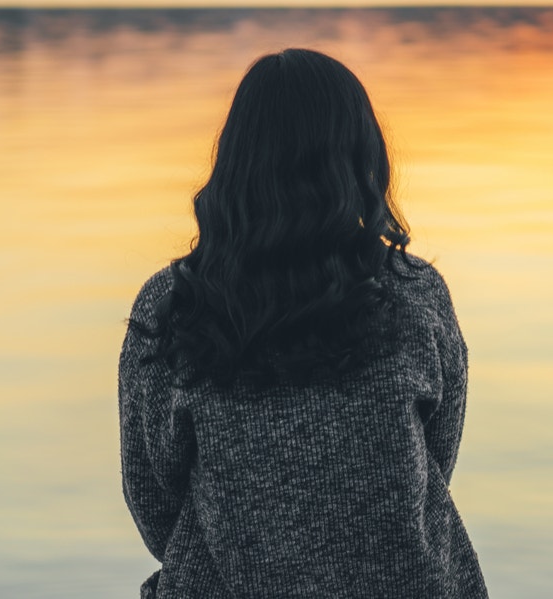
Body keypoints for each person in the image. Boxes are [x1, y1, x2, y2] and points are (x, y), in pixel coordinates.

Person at [118, 49, 488, 599]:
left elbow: (153, 500)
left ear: (237, 161)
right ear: (361, 156)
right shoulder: (414, 295)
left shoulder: (174, 306)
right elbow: (435, 460)